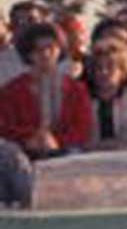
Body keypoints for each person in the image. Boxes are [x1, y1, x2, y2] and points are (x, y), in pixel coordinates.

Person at [0, 22, 93, 157]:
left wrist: (57, 141)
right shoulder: (11, 90)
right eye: (38, 50)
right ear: (28, 53)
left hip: (67, 152)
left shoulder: (76, 89)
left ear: (60, 49)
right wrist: (31, 139)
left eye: (51, 48)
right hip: (22, 153)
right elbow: (6, 127)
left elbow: (82, 128)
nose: (45, 54)